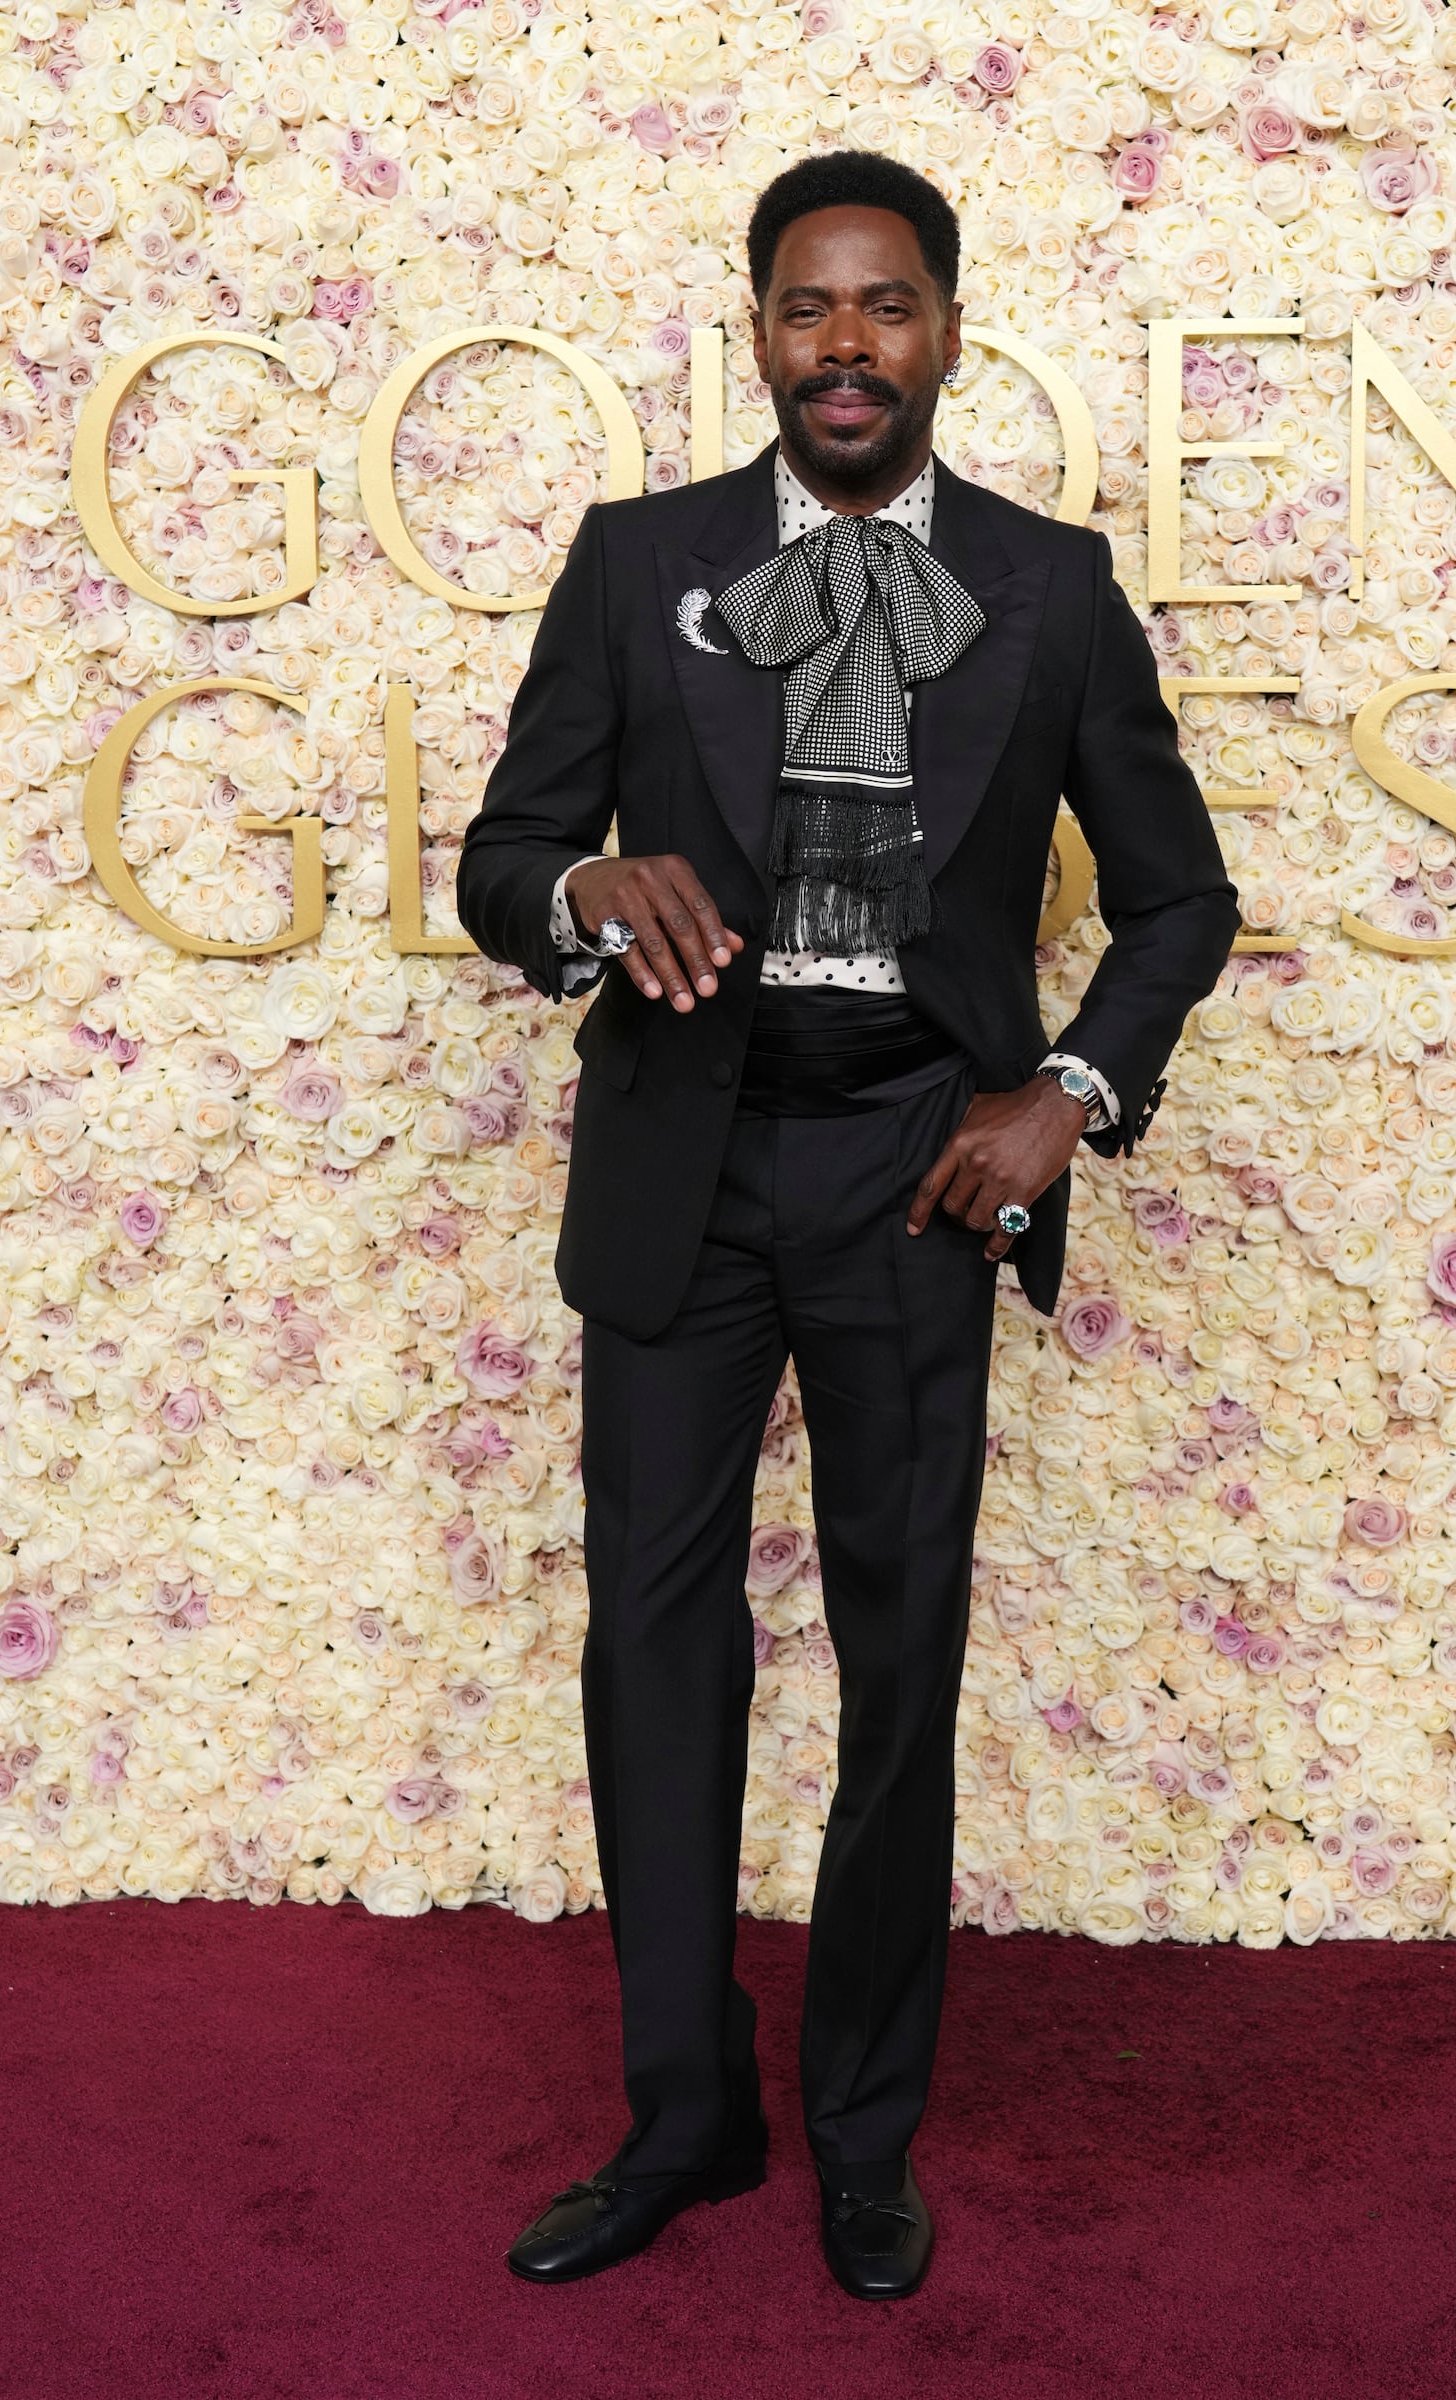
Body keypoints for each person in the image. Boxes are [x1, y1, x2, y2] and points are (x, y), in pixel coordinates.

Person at [457, 150, 1237, 2301]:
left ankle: (864, 2135)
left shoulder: (1054, 590)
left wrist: (1058, 1093)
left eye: (883, 308)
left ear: (947, 334)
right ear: (755, 332)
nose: (843, 347)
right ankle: (681, 2118)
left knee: (898, 1668)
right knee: (654, 1646)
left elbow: (1177, 900)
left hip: (912, 1172)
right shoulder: (635, 568)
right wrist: (578, 893)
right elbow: (505, 851)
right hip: (680, 1171)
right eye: (804, 309)